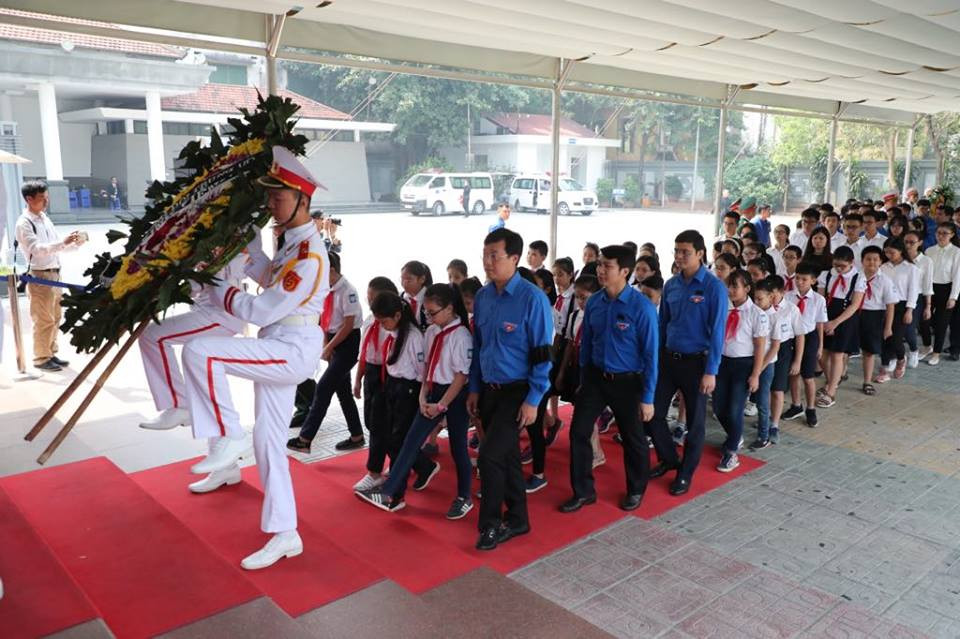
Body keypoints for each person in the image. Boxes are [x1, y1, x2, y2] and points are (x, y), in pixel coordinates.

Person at [181, 146, 329, 570]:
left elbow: (262, 308)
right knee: (267, 442)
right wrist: (244, 242)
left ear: (303, 199)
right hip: (279, 344)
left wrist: (221, 290)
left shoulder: (310, 255)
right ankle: (286, 533)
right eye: (269, 196)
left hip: (289, 349)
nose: (270, 203)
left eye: (277, 197)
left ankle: (228, 436)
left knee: (200, 352)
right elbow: (268, 276)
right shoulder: (292, 243)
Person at [467, 227, 553, 551]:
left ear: (514, 259)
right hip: (489, 390)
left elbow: (543, 356)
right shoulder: (483, 297)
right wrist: (474, 388)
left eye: (495, 256)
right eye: (485, 255)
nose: (488, 263)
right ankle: (518, 519)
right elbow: (479, 346)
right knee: (508, 458)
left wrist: (534, 401)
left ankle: (490, 525)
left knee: (489, 457)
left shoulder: (533, 300)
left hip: (518, 391)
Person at [357, 284, 475, 519]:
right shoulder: (431, 332)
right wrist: (423, 397)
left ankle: (464, 497)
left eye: (433, 312)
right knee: (410, 442)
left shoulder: (461, 336)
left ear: (450, 308)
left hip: (453, 394)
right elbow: (427, 368)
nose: (428, 317)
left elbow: (461, 376)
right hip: (431, 391)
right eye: (426, 312)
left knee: (458, 447)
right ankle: (390, 492)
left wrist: (441, 405)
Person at [561, 244, 658, 512]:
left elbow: (651, 356)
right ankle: (583, 491)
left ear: (625, 271)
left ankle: (636, 489)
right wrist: (583, 379)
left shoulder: (641, 307)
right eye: (600, 264)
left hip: (628, 381)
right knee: (578, 431)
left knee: (633, 438)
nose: (601, 270)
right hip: (594, 378)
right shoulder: (594, 303)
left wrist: (648, 398)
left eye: (607, 266)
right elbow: (588, 344)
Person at [647, 230, 727, 496]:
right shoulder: (671, 285)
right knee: (653, 414)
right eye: (677, 251)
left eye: (686, 252)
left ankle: (685, 473)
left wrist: (711, 371)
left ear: (700, 254)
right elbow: (662, 324)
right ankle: (669, 459)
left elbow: (717, 332)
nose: (680, 256)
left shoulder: (714, 287)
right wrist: (656, 359)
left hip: (697, 364)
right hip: (669, 360)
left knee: (695, 423)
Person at [289, 251, 365, 452]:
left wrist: (329, 347)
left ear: (331, 269)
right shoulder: (326, 289)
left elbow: (348, 325)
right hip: (332, 339)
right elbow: (325, 319)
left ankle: (305, 439)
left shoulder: (348, 291)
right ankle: (357, 436)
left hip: (347, 342)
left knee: (323, 389)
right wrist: (325, 343)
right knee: (343, 393)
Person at [15, 181, 87, 371]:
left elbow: (56, 247)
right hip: (39, 276)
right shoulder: (24, 223)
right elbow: (36, 250)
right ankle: (41, 358)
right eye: (42, 199)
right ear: (29, 199)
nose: (46, 202)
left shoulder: (44, 218)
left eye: (46, 198)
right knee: (43, 319)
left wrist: (74, 244)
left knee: (55, 316)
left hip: (55, 274)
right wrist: (62, 243)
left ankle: (50, 352)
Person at [352, 276, 400, 492]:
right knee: (373, 424)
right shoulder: (369, 321)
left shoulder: (390, 325)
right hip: (371, 374)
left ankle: (374, 472)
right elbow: (364, 353)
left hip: (386, 375)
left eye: (373, 298)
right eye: (368, 297)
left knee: (380, 426)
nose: (369, 301)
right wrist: (358, 379)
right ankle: (413, 463)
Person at [815, 246, 866, 407]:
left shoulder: (858, 278)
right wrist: (823, 321)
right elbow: (821, 298)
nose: (839, 269)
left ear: (851, 263)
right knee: (822, 353)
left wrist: (835, 322)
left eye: (842, 266)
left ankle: (831, 392)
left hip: (845, 318)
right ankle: (832, 380)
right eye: (836, 265)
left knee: (837, 354)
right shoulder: (827, 274)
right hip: (826, 314)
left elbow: (855, 305)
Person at [782, 262, 827, 428]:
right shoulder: (787, 296)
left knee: (808, 377)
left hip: (809, 338)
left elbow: (820, 324)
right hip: (791, 337)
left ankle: (810, 408)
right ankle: (796, 405)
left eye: (804, 279)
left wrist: (820, 346)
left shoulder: (818, 300)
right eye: (798, 278)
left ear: (813, 281)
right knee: (793, 373)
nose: (800, 282)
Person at [762, 275, 804, 445]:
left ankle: (774, 425)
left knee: (777, 389)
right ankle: (764, 419)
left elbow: (800, 335)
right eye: (768, 294)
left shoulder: (791, 309)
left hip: (784, 349)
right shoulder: (761, 307)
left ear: (782, 292)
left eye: (773, 294)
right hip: (763, 348)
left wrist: (797, 361)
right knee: (763, 388)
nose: (770, 298)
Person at [878, 238, 920, 381]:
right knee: (884, 338)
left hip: (901, 306)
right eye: (886, 252)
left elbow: (913, 290)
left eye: (892, 252)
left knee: (896, 338)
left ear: (901, 251)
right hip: (884, 305)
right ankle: (884, 368)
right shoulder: (883, 267)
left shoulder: (911, 268)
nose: (889, 255)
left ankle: (901, 359)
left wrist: (910, 310)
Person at [858, 246, 897, 396]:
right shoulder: (856, 276)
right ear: (862, 261)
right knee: (846, 350)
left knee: (869, 352)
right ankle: (841, 375)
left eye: (875, 259)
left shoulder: (885, 280)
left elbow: (890, 305)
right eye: (868, 259)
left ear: (881, 261)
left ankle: (867, 382)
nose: (871, 262)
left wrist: (888, 327)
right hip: (856, 314)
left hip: (874, 316)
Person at [903, 230, 934, 366]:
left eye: (912, 242)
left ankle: (914, 350)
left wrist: (928, 306)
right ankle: (897, 355)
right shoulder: (900, 258)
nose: (908, 245)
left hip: (918, 298)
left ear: (920, 243)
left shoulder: (926, 261)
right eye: (906, 242)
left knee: (910, 328)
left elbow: (928, 285)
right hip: (900, 297)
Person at [401, 260, 432, 331]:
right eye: (402, 279)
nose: (404, 283)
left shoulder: (432, 298)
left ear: (422, 279)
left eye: (409, 279)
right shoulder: (400, 298)